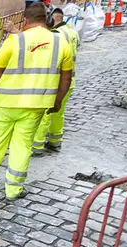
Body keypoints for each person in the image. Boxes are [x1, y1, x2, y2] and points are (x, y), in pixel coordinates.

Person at [0, 2, 73, 200]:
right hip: (36, 105)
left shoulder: (15, 41)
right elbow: (66, 78)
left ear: (25, 20)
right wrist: (58, 101)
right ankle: (13, 190)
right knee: (22, 145)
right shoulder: (61, 43)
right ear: (47, 20)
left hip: (5, 104)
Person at [32, 7, 80, 155]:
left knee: (45, 114)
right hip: (68, 82)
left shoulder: (56, 35)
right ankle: (55, 141)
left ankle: (37, 146)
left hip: (56, 82)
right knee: (59, 113)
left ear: (52, 19)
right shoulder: (73, 33)